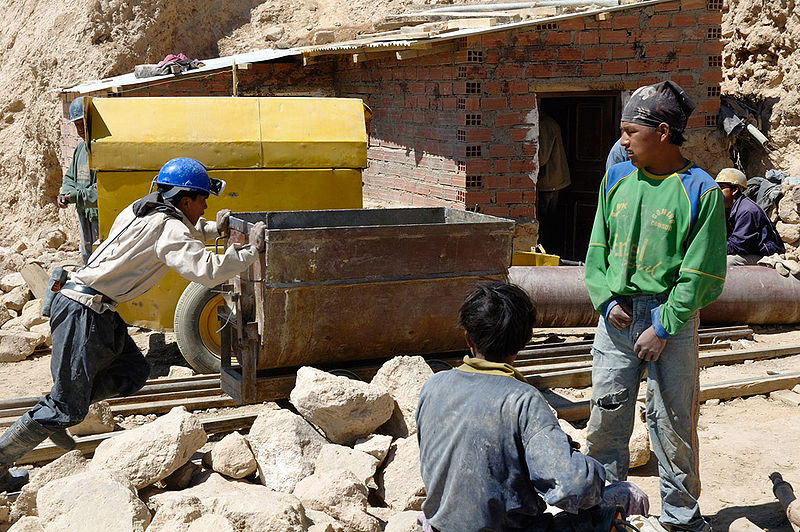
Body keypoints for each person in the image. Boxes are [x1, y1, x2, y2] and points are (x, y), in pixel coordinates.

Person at [0, 157, 266, 492]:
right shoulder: (168, 227)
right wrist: (249, 253)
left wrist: (215, 228)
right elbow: (204, 269)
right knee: (65, 406)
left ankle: (64, 406)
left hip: (96, 309)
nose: (204, 207)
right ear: (186, 200)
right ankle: (13, 451)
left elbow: (180, 231)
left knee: (133, 372)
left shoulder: (140, 210)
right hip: (83, 310)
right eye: (203, 201)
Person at [584, 80, 727, 532]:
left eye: (630, 131)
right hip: (617, 317)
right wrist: (606, 302)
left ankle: (681, 517)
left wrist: (663, 325)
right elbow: (597, 249)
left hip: (672, 320)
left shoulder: (700, 190)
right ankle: (608, 511)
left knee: (672, 423)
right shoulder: (616, 177)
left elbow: (703, 273)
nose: (621, 141)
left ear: (663, 132)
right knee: (606, 420)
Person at [416, 282, 644, 531]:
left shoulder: (433, 386)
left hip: (441, 525)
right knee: (627, 495)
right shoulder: (522, 399)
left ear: (468, 337)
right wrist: (586, 466)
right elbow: (574, 486)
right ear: (527, 339)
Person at [58, 97, 99, 264]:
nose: (80, 129)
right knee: (86, 253)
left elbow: (101, 189)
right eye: (77, 125)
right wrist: (64, 192)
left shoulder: (101, 149)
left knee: (100, 255)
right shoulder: (81, 148)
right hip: (84, 212)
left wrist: (75, 196)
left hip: (98, 214)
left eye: (83, 124)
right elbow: (70, 176)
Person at [715, 167, 784, 266]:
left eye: (721, 188)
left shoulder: (747, 211)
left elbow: (737, 245)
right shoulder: (727, 208)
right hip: (747, 251)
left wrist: (712, 248)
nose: (717, 192)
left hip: (763, 255)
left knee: (726, 263)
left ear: (734, 190)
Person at [537, 112, 571, 255]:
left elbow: (542, 157)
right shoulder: (551, 122)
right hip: (555, 181)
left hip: (549, 182)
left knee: (545, 225)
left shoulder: (545, 124)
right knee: (550, 223)